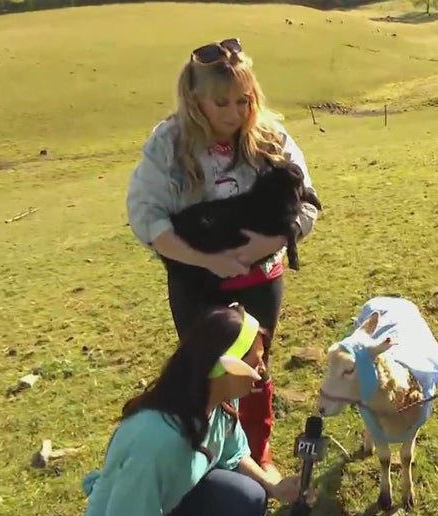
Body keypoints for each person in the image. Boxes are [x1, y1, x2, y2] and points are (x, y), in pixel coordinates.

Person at [126, 37, 321, 485]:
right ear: (195, 99)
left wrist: (264, 246)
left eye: (244, 100)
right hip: (198, 283)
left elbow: (308, 204)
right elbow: (145, 216)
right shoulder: (168, 144)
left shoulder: (271, 137)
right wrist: (205, 260)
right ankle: (212, 458)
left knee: (255, 368)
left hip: (260, 278)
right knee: (208, 372)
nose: (235, 114)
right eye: (222, 102)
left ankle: (258, 456)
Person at [82, 304, 303, 516]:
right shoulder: (156, 439)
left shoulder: (222, 399)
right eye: (255, 363)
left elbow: (234, 454)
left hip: (162, 503)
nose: (263, 371)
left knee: (252, 496)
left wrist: (275, 486)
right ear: (226, 367)